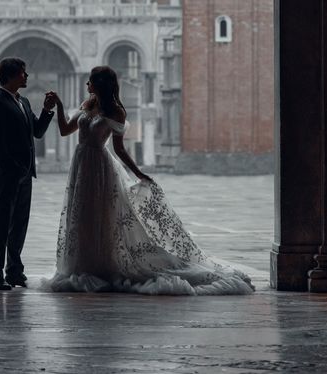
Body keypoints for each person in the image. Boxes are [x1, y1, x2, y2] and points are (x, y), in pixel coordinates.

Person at [44, 65, 254, 295]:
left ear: (101, 84)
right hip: (80, 164)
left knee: (101, 215)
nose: (87, 85)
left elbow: (119, 149)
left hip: (99, 168)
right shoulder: (87, 105)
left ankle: (102, 264)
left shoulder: (116, 112)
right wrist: (60, 105)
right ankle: (83, 264)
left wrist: (138, 173)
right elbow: (65, 130)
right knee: (81, 215)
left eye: (91, 81)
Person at [0, 57, 56, 290]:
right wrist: (12, 169)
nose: (26, 76)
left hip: (26, 174)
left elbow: (36, 132)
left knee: (20, 224)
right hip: (9, 173)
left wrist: (46, 111)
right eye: (23, 73)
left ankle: (14, 271)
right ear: (11, 75)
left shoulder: (24, 102)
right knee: (1, 224)